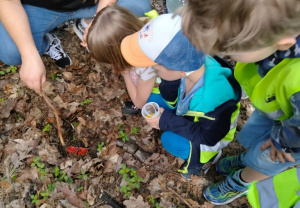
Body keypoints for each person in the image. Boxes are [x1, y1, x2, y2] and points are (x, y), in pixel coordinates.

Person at [180, 0, 300, 205]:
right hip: (276, 105)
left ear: (283, 42)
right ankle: (246, 159)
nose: (225, 54)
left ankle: (242, 181)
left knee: (268, 158)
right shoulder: (269, 31)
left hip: (294, 137)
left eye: (229, 48)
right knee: (256, 135)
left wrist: (284, 143)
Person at [120, 13, 241, 179]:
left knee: (170, 140)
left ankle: (207, 160)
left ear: (181, 70)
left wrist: (166, 121)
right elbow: (170, 90)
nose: (156, 73)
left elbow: (209, 137)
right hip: (190, 113)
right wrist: (168, 83)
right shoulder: (190, 65)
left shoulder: (215, 100)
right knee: (152, 99)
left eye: (157, 70)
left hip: (208, 136)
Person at [0, 0, 151, 94]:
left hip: (91, 4)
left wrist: (100, 16)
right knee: (12, 52)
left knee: (138, 7)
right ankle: (45, 42)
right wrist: (29, 55)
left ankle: (86, 24)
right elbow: (8, 3)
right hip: (37, 8)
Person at [87, 5, 172, 114]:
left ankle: (166, 110)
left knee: (150, 101)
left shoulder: (145, 67)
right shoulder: (147, 26)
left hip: (173, 91)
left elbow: (139, 102)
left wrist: (126, 73)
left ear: (120, 53)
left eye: (113, 60)